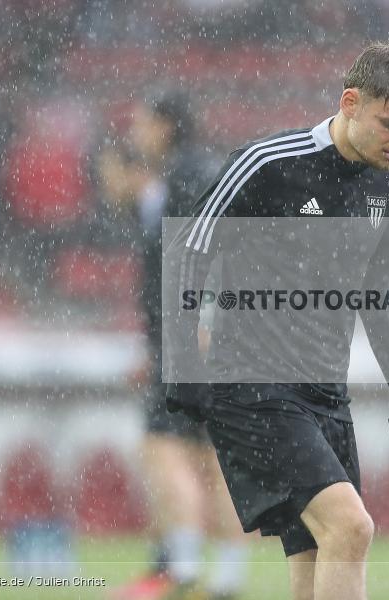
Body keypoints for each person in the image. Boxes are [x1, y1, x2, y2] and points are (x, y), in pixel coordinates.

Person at [164, 42, 389, 600]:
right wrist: (185, 363)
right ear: (350, 102)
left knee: (314, 555)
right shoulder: (269, 164)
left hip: (325, 394)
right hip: (252, 387)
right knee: (351, 527)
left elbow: (377, 290)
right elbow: (188, 251)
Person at [103, 88, 248, 600]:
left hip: (194, 339)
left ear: (165, 126)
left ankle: (182, 570)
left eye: (141, 122)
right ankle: (228, 577)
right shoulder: (200, 174)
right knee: (212, 457)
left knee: (165, 449)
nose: (134, 132)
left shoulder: (188, 178)